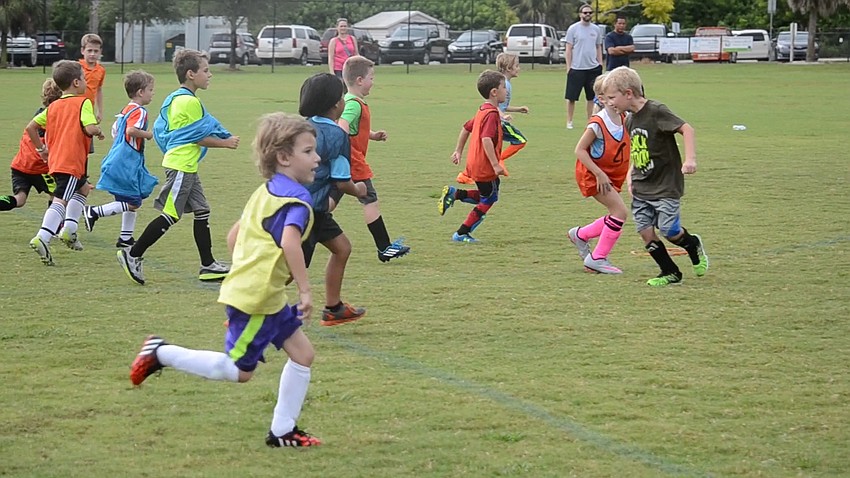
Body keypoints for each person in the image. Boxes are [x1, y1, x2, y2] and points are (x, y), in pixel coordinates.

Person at [129, 112, 323, 448]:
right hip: (257, 300)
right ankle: (162, 353)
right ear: (284, 157)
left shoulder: (266, 191)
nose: (317, 157)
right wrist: (305, 289)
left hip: (264, 294)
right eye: (308, 151)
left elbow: (235, 236)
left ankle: (282, 431)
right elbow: (290, 243)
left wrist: (250, 269)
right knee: (238, 372)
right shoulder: (297, 202)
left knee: (303, 354)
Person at [117, 49, 239, 285]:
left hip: (186, 165)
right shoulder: (188, 102)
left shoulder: (177, 98)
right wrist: (225, 143)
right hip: (181, 165)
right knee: (171, 215)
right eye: (206, 71)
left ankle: (208, 265)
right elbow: (196, 136)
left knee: (202, 210)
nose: (210, 75)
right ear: (191, 74)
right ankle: (132, 254)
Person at [602, 66, 709, 286]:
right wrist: (632, 175)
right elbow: (638, 150)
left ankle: (692, 244)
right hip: (642, 186)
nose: (609, 102)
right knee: (645, 232)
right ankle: (670, 272)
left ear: (628, 93)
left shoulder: (656, 111)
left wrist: (690, 160)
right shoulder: (629, 120)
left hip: (666, 185)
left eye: (612, 97)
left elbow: (687, 129)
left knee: (669, 231)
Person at [298, 72, 369, 326]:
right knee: (289, 269)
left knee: (342, 248)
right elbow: (342, 180)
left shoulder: (301, 126)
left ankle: (333, 307)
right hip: (309, 210)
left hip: (302, 205)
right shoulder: (336, 135)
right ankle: (248, 309)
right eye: (341, 98)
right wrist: (359, 190)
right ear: (335, 104)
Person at [332, 55, 410, 262]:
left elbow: (354, 129)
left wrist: (372, 135)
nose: (372, 83)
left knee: (330, 199)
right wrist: (343, 153)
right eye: (371, 78)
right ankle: (384, 248)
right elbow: (343, 127)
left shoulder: (349, 101)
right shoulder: (354, 104)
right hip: (352, 161)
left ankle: (304, 225)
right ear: (359, 80)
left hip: (345, 160)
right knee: (370, 199)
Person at [25, 60, 104, 264]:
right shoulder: (83, 102)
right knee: (61, 199)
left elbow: (31, 128)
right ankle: (43, 236)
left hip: (58, 160)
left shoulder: (53, 107)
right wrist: (97, 130)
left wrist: (42, 150)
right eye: (84, 79)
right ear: (76, 82)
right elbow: (89, 127)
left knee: (83, 188)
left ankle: (69, 229)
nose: (87, 82)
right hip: (71, 161)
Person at [83, 70, 158, 249]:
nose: (152, 93)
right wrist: (147, 134)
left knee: (130, 199)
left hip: (118, 158)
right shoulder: (140, 111)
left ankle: (125, 238)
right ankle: (94, 212)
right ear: (141, 92)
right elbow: (131, 131)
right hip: (127, 161)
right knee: (133, 201)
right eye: (150, 89)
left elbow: (115, 130)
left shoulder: (126, 109)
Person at [567, 73, 630, 274]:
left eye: (617, 95)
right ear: (601, 99)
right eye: (609, 97)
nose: (614, 101)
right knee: (620, 212)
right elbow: (579, 150)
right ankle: (597, 258)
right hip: (593, 175)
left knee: (616, 213)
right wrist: (599, 173)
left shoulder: (624, 117)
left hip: (610, 174)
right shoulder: (598, 123)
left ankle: (581, 234)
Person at [438, 70, 507, 243]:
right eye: (504, 87)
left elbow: (466, 128)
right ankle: (461, 233)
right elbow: (486, 139)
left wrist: (458, 151)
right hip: (484, 166)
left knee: (490, 194)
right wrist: (495, 164)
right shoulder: (491, 114)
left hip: (476, 164)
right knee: (489, 198)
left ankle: (454, 194)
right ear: (494, 92)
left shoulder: (483, 110)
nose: (506, 91)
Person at [456, 52, 528, 185]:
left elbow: (502, 106)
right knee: (520, 141)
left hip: (497, 118)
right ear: (508, 68)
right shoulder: (503, 84)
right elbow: (496, 106)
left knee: (485, 148)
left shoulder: (503, 84)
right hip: (497, 121)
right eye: (517, 66)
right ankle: (498, 161)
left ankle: (467, 174)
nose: (519, 68)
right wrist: (502, 116)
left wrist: (518, 109)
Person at [1, 79, 62, 212]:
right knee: (58, 195)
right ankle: (53, 227)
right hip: (40, 169)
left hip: (19, 166)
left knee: (19, 199)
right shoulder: (54, 118)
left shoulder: (38, 114)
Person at [564, 4, 604, 130]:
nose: (588, 15)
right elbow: (569, 48)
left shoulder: (596, 29)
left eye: (590, 12)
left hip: (593, 68)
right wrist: (569, 66)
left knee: (592, 97)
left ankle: (590, 121)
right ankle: (569, 121)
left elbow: (598, 46)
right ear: (580, 14)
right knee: (571, 97)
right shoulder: (573, 29)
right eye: (585, 12)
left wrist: (600, 63)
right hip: (576, 68)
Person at [79, 33, 106, 154]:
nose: (92, 54)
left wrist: (99, 110)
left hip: (88, 111)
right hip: (75, 109)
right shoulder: (76, 68)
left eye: (96, 51)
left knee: (87, 144)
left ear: (100, 52)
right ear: (82, 51)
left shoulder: (101, 70)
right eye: (89, 50)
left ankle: (83, 172)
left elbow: (99, 90)